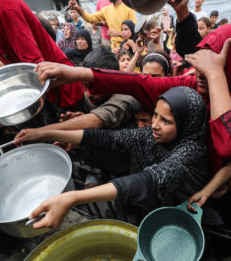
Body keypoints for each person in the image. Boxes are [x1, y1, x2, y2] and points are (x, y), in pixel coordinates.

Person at [33, 23, 231, 178]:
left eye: (212, 69)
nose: (199, 74)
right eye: (200, 66)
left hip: (209, 183)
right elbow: (140, 83)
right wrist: (79, 73)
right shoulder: (192, 85)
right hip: (175, 171)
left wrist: (215, 76)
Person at [14, 86, 209, 229]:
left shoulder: (191, 151)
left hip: (184, 215)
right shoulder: (152, 134)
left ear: (186, 124)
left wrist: (72, 198)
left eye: (166, 121)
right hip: (153, 207)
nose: (155, 124)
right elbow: (108, 138)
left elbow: (148, 180)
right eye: (156, 115)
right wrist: (45, 134)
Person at [14, 47, 137, 132]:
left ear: (110, 82)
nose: (89, 94)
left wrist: (39, 133)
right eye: (85, 86)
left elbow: (96, 121)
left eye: (96, 87)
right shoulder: (89, 97)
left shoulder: (125, 97)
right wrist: (80, 119)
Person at [68, 0, 136, 50]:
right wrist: (78, 9)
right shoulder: (107, 10)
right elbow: (91, 18)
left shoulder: (129, 8)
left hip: (127, 48)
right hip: (114, 49)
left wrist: (118, 33)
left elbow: (134, 32)